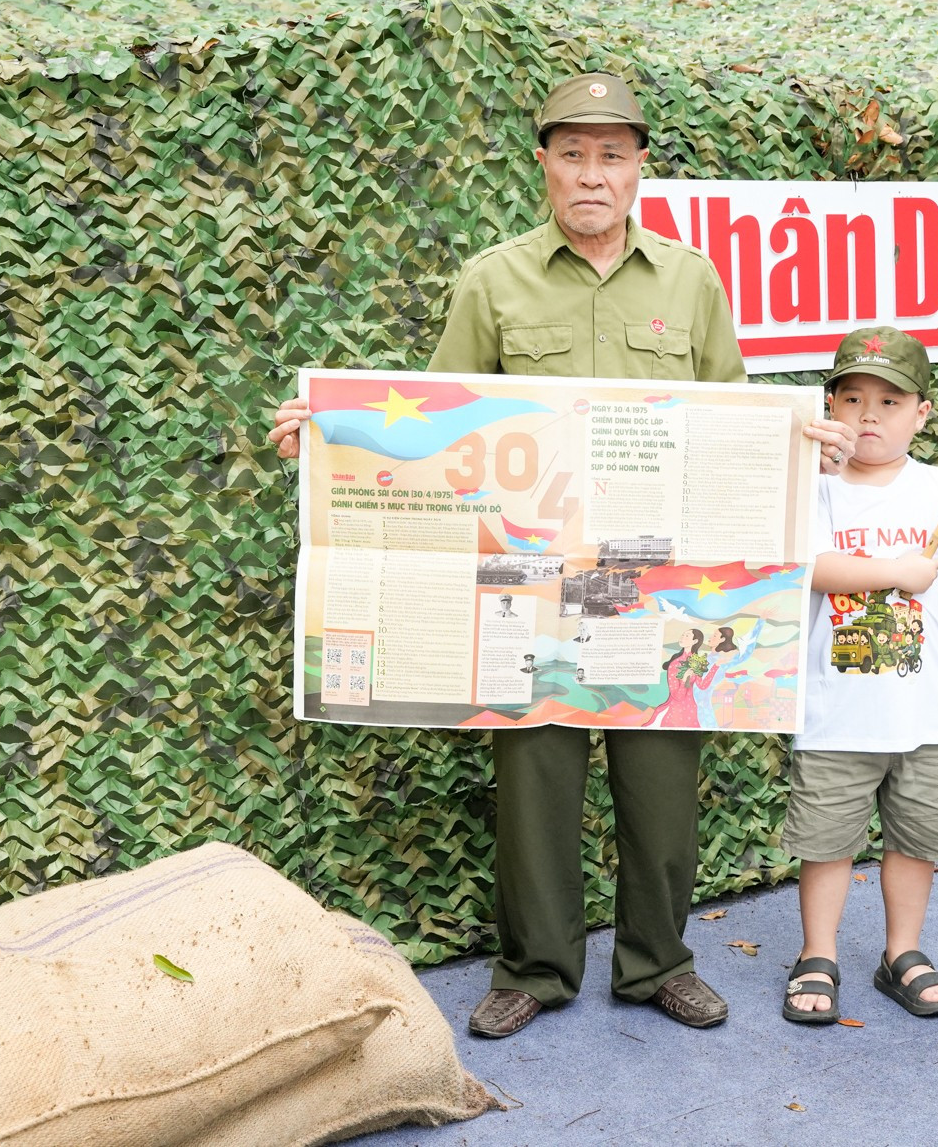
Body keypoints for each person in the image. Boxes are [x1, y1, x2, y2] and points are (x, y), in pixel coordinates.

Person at [268, 72, 855, 1039]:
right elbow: (439, 428)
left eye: (611, 155)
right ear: (544, 163)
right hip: (533, 591)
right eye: (573, 154)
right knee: (535, 786)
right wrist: (335, 434)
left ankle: (657, 961)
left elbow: (733, 421)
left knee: (661, 789)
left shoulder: (691, 281)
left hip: (655, 589)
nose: (592, 174)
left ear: (639, 167)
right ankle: (536, 970)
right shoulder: (493, 280)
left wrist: (801, 448)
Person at [779, 326, 938, 1026]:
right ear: (830, 407)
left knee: (915, 838)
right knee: (827, 841)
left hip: (926, 711)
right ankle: (818, 952)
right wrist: (894, 571)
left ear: (922, 413)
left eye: (890, 401)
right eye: (852, 398)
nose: (869, 415)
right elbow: (810, 567)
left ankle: (902, 951)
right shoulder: (815, 488)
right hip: (836, 710)